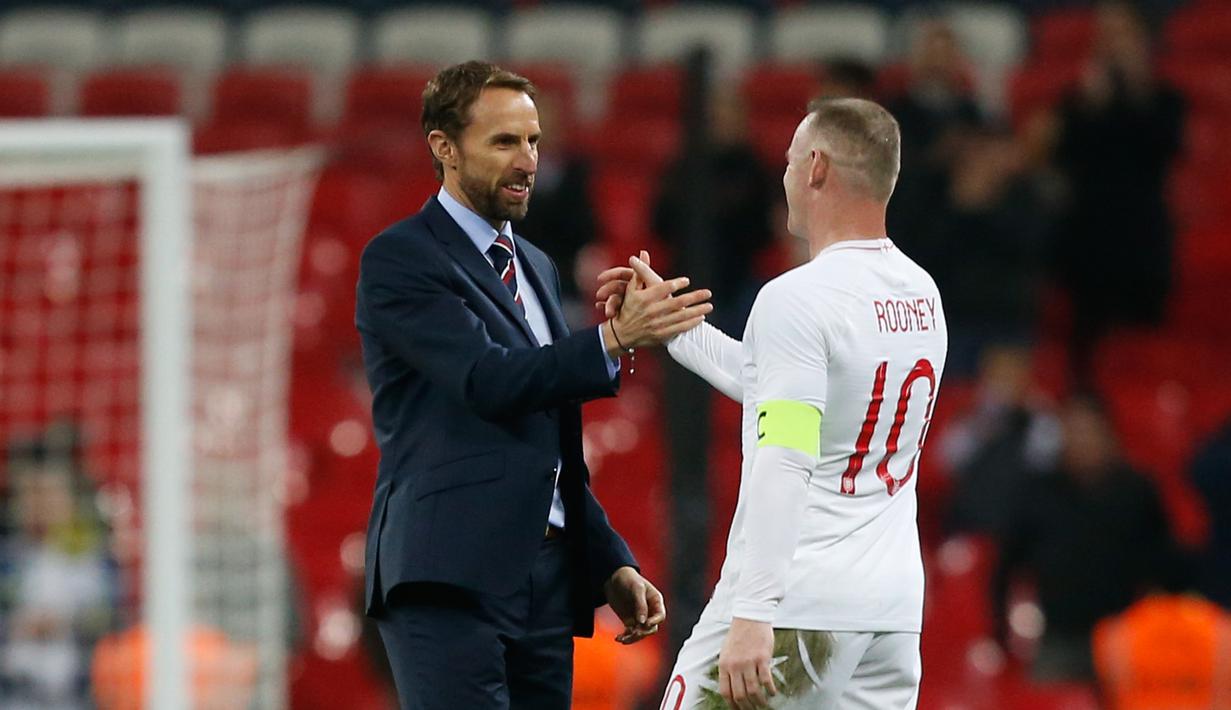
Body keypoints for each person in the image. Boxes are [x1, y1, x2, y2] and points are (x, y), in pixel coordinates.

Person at [354, 61, 710, 709]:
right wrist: (612, 338)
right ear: (444, 147)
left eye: (533, 141)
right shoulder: (402, 257)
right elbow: (485, 380)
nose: (527, 161)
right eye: (503, 142)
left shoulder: (537, 267)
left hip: (543, 582)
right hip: (450, 571)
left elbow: (548, 444)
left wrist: (608, 560)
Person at [601, 97, 947, 708]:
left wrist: (754, 611)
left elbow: (786, 455)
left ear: (816, 167)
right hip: (890, 615)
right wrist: (674, 326)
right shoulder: (922, 295)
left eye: (789, 161)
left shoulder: (798, 298)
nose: (783, 177)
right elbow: (786, 389)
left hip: (799, 607)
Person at [992, 395, 1182, 682]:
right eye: (1073, 431)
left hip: (1124, 638)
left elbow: (1164, 563)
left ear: (1108, 434)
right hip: (1059, 638)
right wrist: (1000, 629)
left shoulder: (1136, 491)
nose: (1081, 441)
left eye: (1089, 431)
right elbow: (1007, 566)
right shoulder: (1038, 493)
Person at [1047, 0, 1184, 383]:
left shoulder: (1165, 98)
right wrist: (1092, 104)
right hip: (1089, 242)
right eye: (1107, 34)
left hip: (1142, 242)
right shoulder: (1080, 99)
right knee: (1086, 355)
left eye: (1123, 34)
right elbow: (1064, 155)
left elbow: (1166, 148)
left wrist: (1139, 88)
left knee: (1142, 351)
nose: (1115, 43)